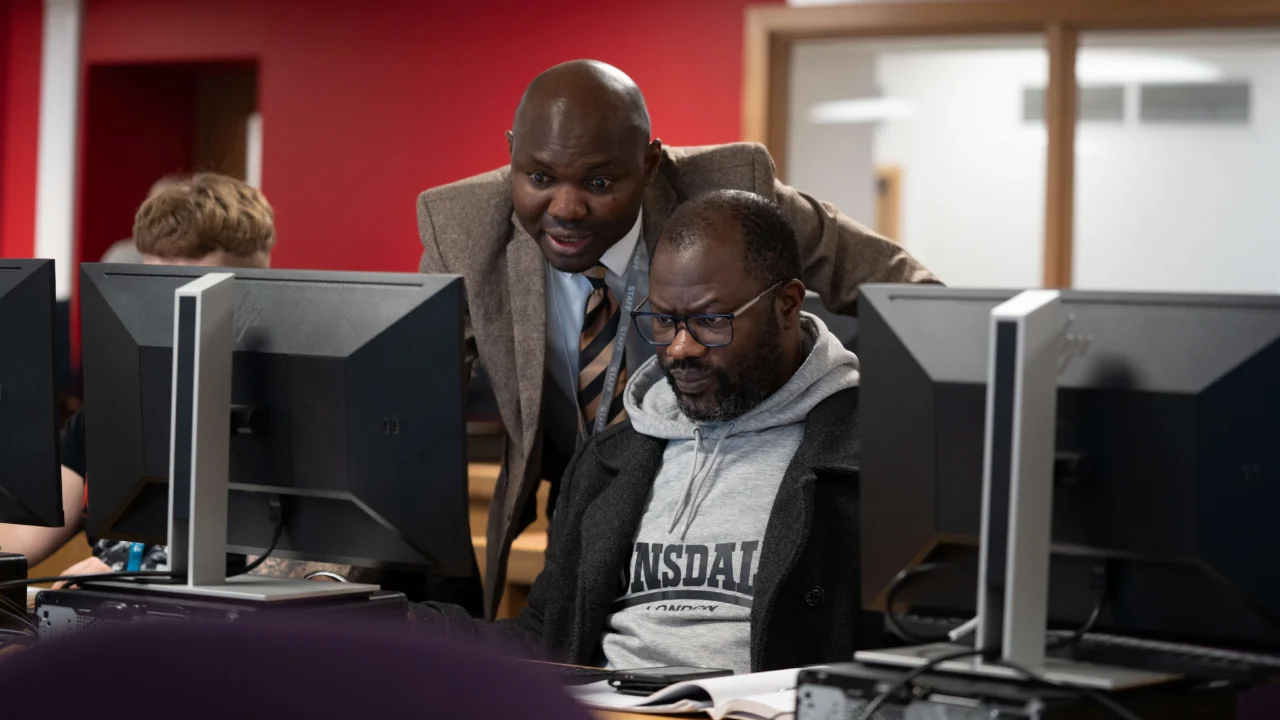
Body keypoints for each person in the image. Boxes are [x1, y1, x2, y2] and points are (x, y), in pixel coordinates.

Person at [417, 59, 936, 618]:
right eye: (539, 178)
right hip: (574, 496)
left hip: (725, 490)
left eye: (598, 183)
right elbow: (407, 414)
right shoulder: (462, 227)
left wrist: (903, 447)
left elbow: (912, 295)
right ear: (513, 151)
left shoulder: (732, 189)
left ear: (648, 163)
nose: (565, 209)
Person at [414, 190, 864, 673]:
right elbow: (544, 638)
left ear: (787, 305)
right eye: (665, 322)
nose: (680, 349)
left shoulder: (870, 459)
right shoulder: (611, 460)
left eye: (711, 321)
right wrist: (394, 626)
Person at [0, 173, 347, 584]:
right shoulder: (116, 407)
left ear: (259, 287)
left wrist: (139, 581)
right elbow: (20, 536)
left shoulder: (307, 415)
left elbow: (312, 577)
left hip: (219, 636)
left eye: (195, 293)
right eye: (154, 288)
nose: (171, 315)